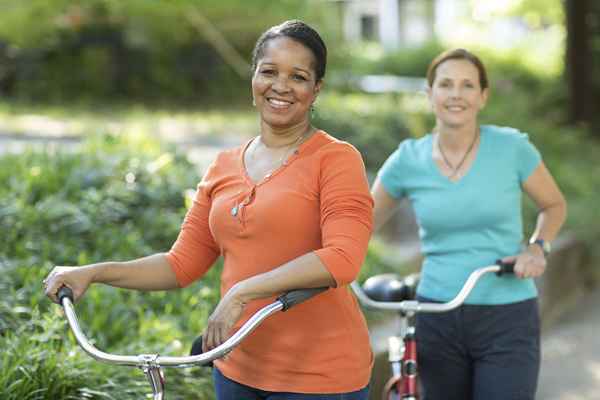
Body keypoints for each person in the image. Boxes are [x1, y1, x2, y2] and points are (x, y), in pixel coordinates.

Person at [44, 20, 373, 399]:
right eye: (269, 72)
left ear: (316, 89)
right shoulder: (223, 165)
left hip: (320, 379)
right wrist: (94, 272)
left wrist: (242, 292)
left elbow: (343, 259)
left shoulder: (336, 159)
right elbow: (180, 264)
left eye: (298, 76)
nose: (280, 86)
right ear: (253, 79)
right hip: (234, 369)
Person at [372, 48, 567, 400]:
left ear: (483, 96)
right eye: (445, 84)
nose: (456, 94)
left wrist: (538, 248)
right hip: (436, 312)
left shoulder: (512, 147)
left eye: (467, 85)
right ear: (429, 94)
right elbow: (359, 223)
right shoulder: (408, 159)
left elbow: (553, 205)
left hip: (507, 314)